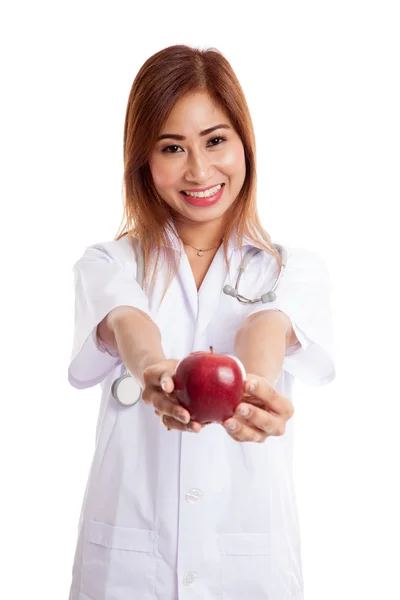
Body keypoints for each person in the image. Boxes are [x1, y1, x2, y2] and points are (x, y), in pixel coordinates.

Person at [67, 44, 335, 600]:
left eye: (216, 140)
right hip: (127, 568)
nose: (199, 170)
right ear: (144, 160)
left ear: (244, 144)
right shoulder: (109, 263)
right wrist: (153, 372)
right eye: (172, 148)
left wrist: (251, 391)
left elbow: (264, 327)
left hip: (247, 567)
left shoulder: (291, 268)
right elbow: (128, 322)